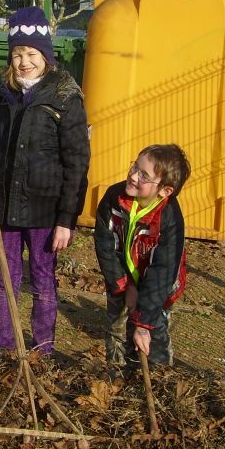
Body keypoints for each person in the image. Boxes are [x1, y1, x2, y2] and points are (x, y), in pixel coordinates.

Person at [0, 6, 90, 356]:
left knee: (43, 280)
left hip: (46, 211)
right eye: (17, 55)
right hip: (5, 207)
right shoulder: (3, 96)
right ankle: (3, 345)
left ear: (46, 56)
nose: (24, 62)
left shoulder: (65, 99)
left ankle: (43, 348)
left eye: (32, 54)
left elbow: (77, 163)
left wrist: (66, 220)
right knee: (6, 279)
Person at [94, 144, 190, 374]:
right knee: (117, 332)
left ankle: (157, 379)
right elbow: (105, 245)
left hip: (158, 290)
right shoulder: (114, 198)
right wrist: (123, 285)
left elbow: (163, 271)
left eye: (144, 175)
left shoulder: (169, 219)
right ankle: (116, 378)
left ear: (165, 190)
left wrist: (143, 323)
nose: (134, 176)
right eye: (135, 167)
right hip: (120, 279)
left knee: (151, 337)